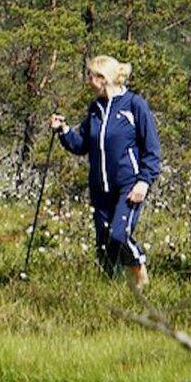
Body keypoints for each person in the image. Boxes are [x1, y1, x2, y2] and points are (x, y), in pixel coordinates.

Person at [50, 55, 163, 288]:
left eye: (91, 75)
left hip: (128, 185)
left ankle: (140, 272)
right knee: (103, 242)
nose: (88, 80)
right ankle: (108, 289)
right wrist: (63, 130)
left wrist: (144, 181)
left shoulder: (134, 104)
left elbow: (152, 148)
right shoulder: (95, 109)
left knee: (118, 235)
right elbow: (82, 144)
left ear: (103, 78)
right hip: (100, 187)